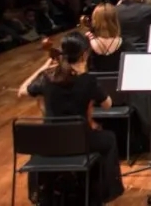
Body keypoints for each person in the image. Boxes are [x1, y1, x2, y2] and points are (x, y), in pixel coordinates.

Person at [18, 31, 124, 204]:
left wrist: (43, 68)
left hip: (50, 143)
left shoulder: (46, 78)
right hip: (80, 141)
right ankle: (103, 192)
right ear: (84, 54)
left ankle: (47, 192)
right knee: (109, 138)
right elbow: (108, 105)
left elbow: (22, 91)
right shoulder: (87, 80)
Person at [86, 3, 127, 74]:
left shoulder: (86, 46)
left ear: (94, 21)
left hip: (94, 81)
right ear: (115, 20)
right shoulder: (126, 45)